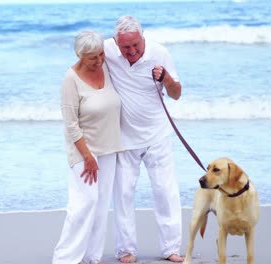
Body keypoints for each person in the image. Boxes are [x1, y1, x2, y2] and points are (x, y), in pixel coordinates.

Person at [103, 16, 184, 263]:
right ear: (116, 42)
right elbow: (84, 59)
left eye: (136, 45)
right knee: (123, 194)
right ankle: (126, 250)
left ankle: (171, 248)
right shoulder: (107, 50)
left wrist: (166, 79)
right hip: (124, 138)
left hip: (157, 135)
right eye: (125, 47)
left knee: (165, 192)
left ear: (143, 37)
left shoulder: (160, 53)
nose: (132, 51)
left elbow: (177, 93)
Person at [52, 30, 123, 264]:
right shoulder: (70, 79)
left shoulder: (106, 67)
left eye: (101, 54)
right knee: (83, 204)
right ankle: (65, 258)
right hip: (84, 151)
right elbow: (71, 125)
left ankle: (92, 256)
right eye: (93, 57)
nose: (99, 60)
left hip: (110, 147)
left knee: (102, 204)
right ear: (80, 55)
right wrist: (88, 156)